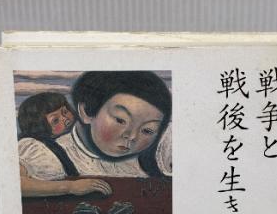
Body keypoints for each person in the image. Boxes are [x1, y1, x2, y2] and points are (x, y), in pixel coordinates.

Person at [18, 71, 172, 197]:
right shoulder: (49, 153)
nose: (132, 137)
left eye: (147, 130)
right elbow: (14, 184)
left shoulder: (160, 150)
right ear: (86, 112)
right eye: (120, 120)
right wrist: (69, 187)